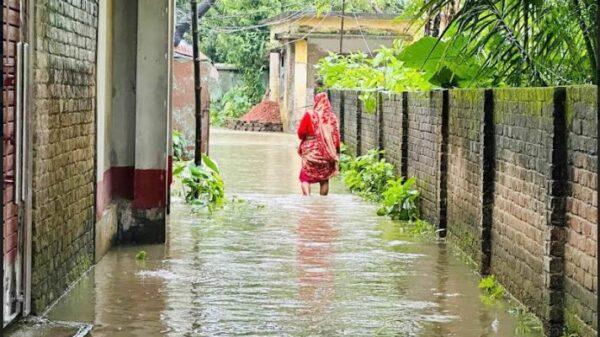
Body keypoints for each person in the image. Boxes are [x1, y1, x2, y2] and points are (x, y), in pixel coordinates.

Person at [297, 89, 340, 196]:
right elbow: (336, 138)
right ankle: (322, 202)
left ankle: (307, 198)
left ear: (316, 102)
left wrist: (308, 139)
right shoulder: (332, 118)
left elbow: (300, 133)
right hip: (327, 154)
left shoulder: (309, 115)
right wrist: (335, 152)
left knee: (305, 177)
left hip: (311, 153)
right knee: (324, 179)